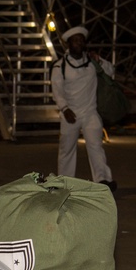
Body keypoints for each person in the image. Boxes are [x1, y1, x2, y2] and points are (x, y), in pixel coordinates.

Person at [51, 26, 117, 192]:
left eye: (81, 40)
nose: (79, 43)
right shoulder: (60, 66)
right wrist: (64, 108)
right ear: (69, 44)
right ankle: (65, 183)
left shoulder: (92, 63)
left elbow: (111, 72)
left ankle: (103, 180)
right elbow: (57, 90)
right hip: (70, 113)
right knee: (67, 150)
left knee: (96, 146)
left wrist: (100, 60)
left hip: (90, 112)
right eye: (75, 40)